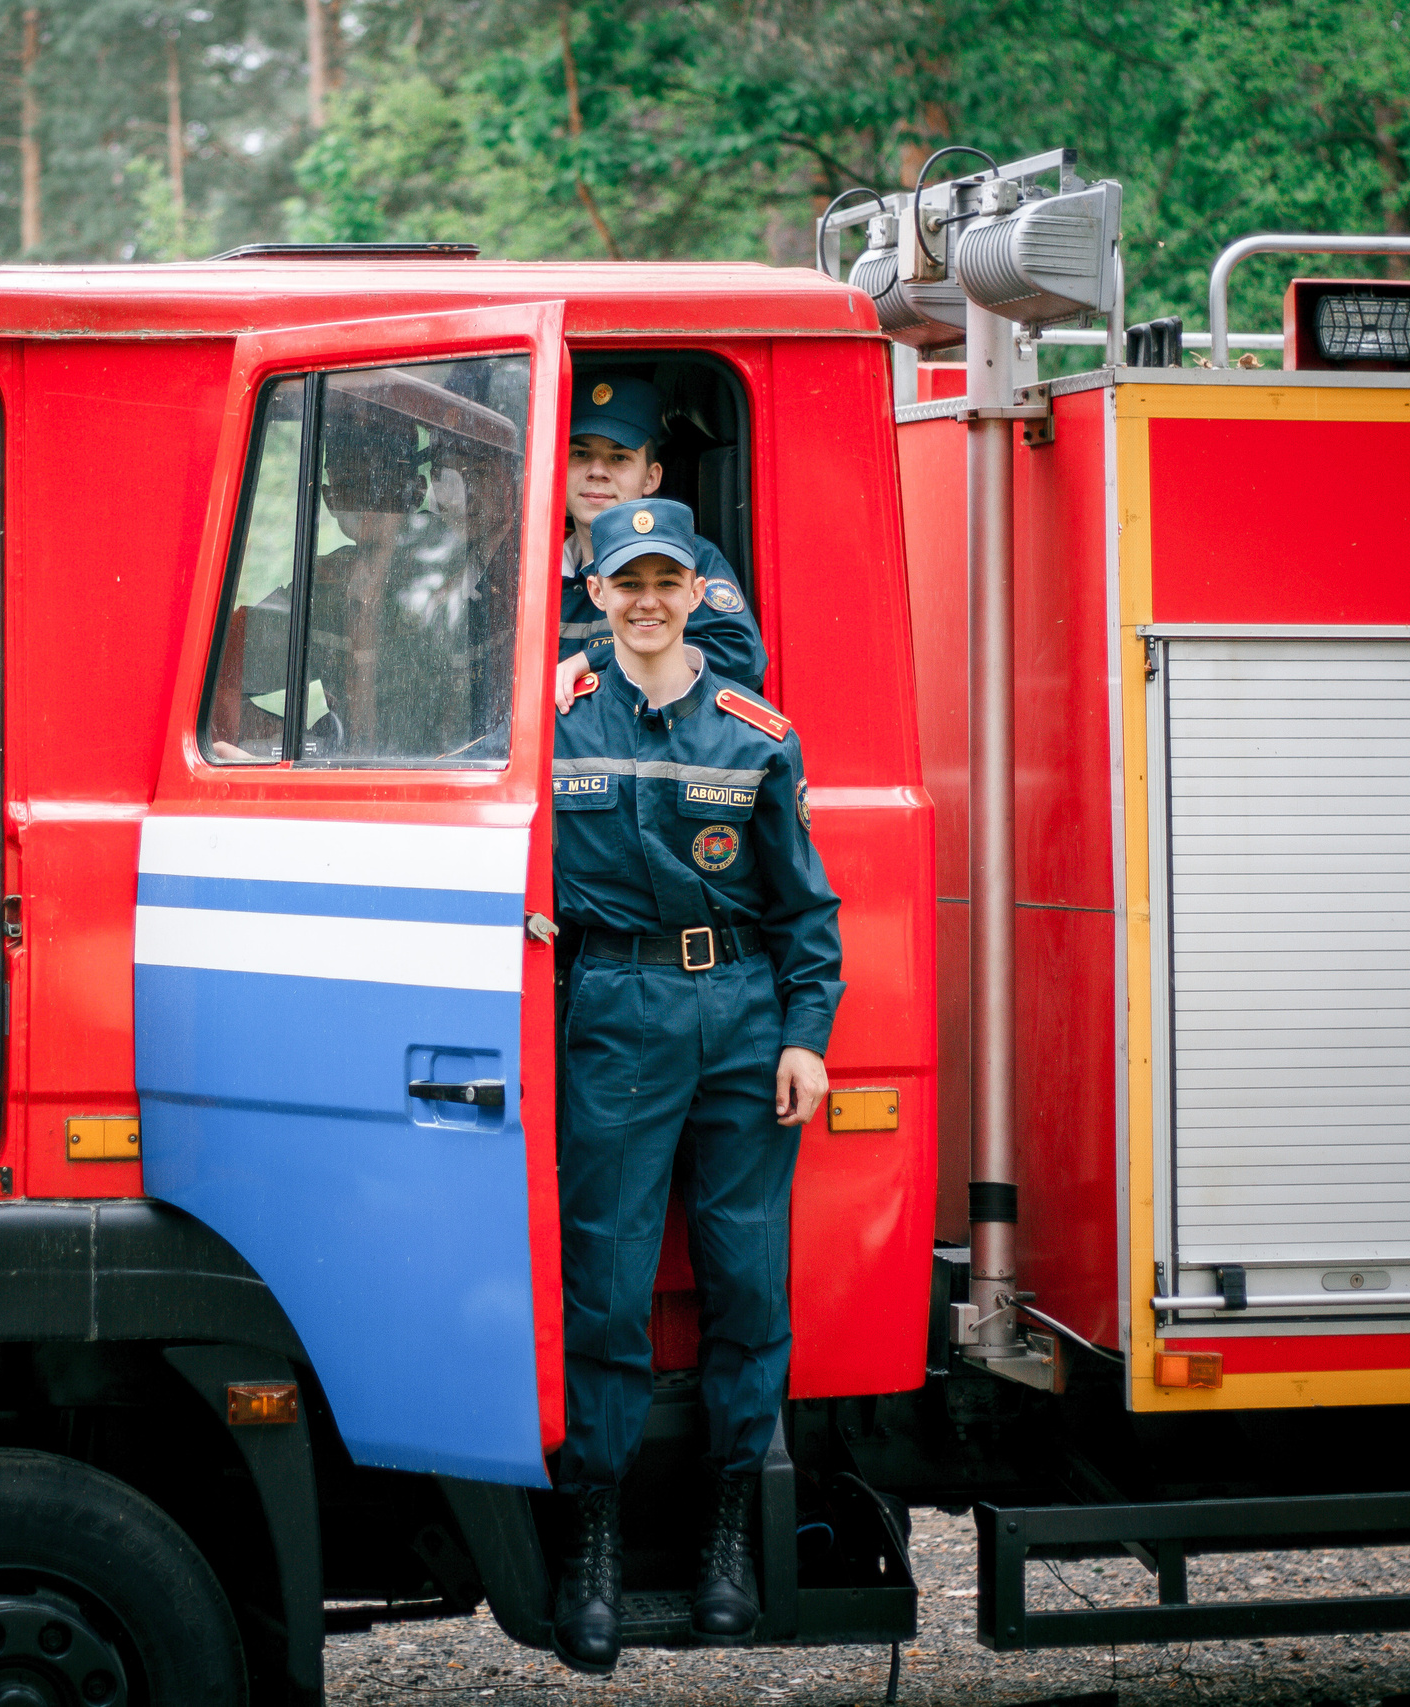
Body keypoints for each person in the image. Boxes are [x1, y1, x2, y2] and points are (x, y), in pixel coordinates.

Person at [546, 496, 841, 1674]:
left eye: (667, 581)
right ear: (599, 594)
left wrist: (805, 1036)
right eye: (628, 582)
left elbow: (803, 906)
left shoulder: (753, 732)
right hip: (613, 1013)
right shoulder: (550, 719)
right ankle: (592, 1544)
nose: (649, 601)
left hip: (742, 1023)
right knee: (608, 1287)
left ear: (693, 593)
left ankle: (728, 1532)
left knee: (745, 1283)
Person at [552, 376, 764, 713]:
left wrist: (592, 659)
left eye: (619, 458)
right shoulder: (533, 568)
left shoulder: (691, 558)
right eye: (580, 453)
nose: (597, 471)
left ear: (651, 477)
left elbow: (740, 659)